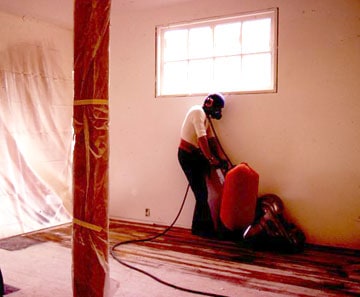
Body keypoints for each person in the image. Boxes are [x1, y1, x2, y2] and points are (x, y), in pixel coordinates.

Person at [178, 93, 228, 238]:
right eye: (217, 108)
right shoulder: (197, 112)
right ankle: (204, 229)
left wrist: (223, 159)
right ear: (209, 103)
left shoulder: (206, 119)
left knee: (202, 193)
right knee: (201, 194)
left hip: (195, 156)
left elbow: (212, 141)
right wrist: (212, 159)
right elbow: (202, 139)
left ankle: (199, 227)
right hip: (187, 156)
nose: (218, 112)